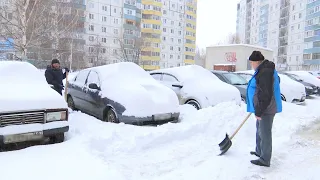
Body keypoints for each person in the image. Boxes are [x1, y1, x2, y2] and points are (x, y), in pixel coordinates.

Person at [246, 51, 282, 167]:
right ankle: (259, 151)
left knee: (265, 133)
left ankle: (265, 159)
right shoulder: (264, 70)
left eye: (252, 63)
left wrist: (259, 110)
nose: (251, 65)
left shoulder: (265, 72)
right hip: (263, 107)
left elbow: (265, 94)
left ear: (257, 62)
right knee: (259, 130)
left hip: (266, 108)